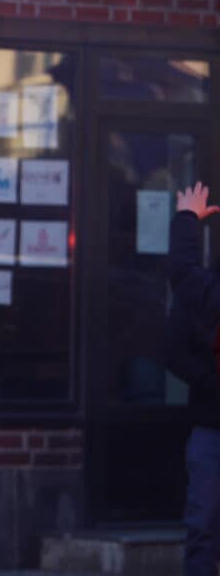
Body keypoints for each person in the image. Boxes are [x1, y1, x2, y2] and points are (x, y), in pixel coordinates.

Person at [168, 180, 220, 576]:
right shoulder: (205, 297)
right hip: (211, 425)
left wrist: (187, 217)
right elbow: (175, 353)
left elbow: (183, 272)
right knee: (202, 526)